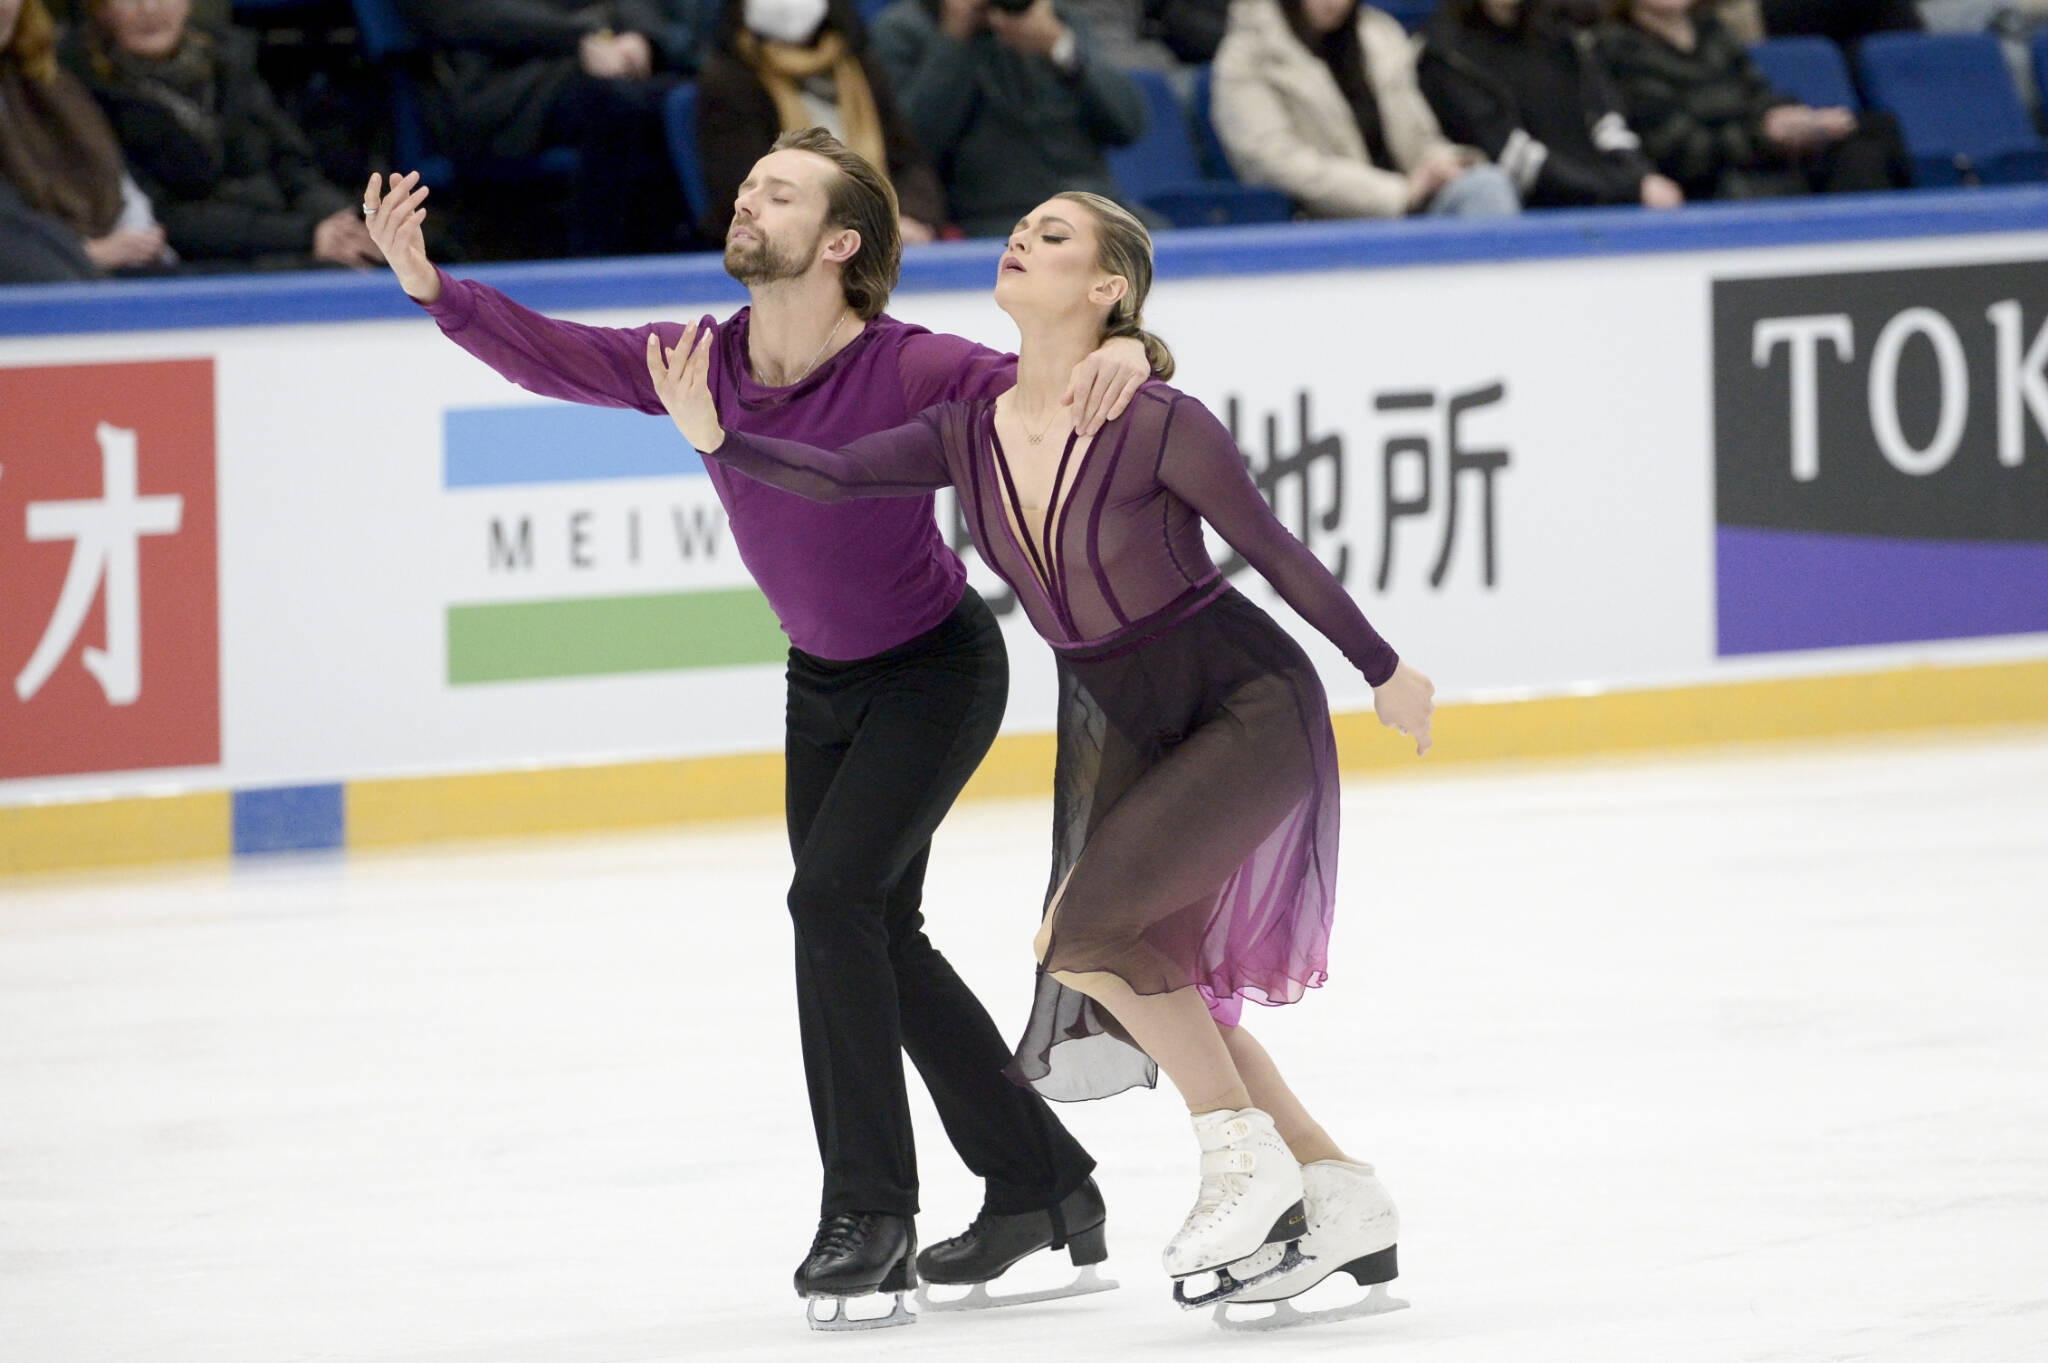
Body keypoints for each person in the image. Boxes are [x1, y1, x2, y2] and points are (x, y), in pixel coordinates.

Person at [362, 131, 1156, 1330]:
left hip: (935, 673)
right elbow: (557, 357)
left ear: (839, 242)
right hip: (820, 685)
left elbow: (1044, 385)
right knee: (879, 936)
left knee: (829, 904)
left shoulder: (909, 365)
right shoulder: (702, 360)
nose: (747, 200)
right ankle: (1043, 1180)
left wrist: (1134, 349)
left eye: (777, 192)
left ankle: (869, 1212)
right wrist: (434, 287)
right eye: (745, 187)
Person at [645, 188, 1433, 1322]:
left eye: (1052, 237)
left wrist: (1380, 666)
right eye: (1019, 228)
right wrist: (722, 441)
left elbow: (1276, 549)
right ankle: (1334, 1187)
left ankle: (1237, 1154)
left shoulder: (1156, 418)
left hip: (1244, 710)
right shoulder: (965, 428)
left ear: (1104, 289)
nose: (1021, 237)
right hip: (1133, 730)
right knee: (1148, 974)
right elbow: (833, 472)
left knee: (1084, 933)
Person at [62, 0, 379, 271]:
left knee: (387, 254)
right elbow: (163, 218)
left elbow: (293, 166)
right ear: (100, 9)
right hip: (199, 260)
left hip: (286, 237)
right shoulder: (82, 92)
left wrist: (343, 223)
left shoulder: (228, 61)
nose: (151, 8)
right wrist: (309, 235)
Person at [398, 0, 710, 256]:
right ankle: (603, 267)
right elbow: (464, 15)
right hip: (494, 84)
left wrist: (639, 37)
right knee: (617, 103)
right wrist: (586, 36)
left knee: (684, 96)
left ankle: (691, 259)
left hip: (588, 63)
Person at [1211, 0, 1523, 219]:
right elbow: (1273, 161)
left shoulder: (1380, 36)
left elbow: (1420, 135)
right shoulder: (1246, 57)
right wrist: (1398, 193)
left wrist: (1443, 165)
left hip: (1412, 203)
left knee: (1485, 184)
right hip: (1323, 217)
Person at [869, 0, 1149, 238]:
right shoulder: (903, 31)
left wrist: (1059, 45)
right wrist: (955, 37)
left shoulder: (1055, 17)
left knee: (1155, 240)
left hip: (1095, 208)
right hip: (994, 221)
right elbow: (911, 148)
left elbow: (1129, 125)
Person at [1599, 0, 1914, 199]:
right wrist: (1767, 137)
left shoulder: (1711, 31)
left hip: (1758, 155)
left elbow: (1760, 95)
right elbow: (1679, 150)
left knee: (1870, 131)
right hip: (1708, 179)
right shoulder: (1620, 48)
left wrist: (1795, 119)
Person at [695, 0, 948, 244]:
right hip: (786, 246)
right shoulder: (728, 81)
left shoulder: (858, 66)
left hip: (882, 238)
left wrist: (912, 218)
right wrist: (849, 232)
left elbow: (907, 162)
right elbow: (745, 190)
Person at [1421, 0, 1684, 209]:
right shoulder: (1446, 53)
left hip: (1602, 202)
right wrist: (1625, 189)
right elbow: (1514, 158)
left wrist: (1640, 177)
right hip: (1531, 217)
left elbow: (1607, 122)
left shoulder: (1562, 37)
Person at [0, 0, 167, 283]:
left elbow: (113, 175)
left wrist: (138, 238)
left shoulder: (50, 82)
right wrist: (86, 253)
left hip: (112, 269)